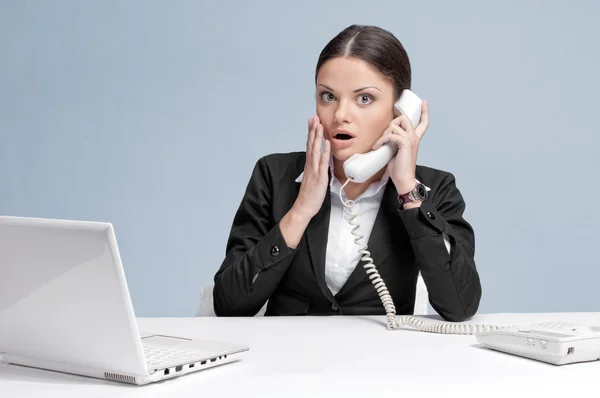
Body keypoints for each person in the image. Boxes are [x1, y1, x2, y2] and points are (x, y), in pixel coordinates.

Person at [212, 24, 481, 322]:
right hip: (286, 359)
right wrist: (300, 210)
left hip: (382, 361)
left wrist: (407, 190)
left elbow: (460, 306)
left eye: (364, 98)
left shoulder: (433, 188)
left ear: (400, 111)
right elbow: (229, 304)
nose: (340, 115)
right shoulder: (273, 175)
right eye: (328, 97)